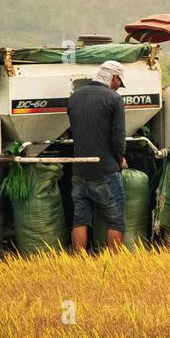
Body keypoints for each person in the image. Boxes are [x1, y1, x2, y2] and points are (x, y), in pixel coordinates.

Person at [67, 60, 128, 252]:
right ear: (114, 77)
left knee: (80, 219)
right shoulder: (113, 99)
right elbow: (118, 137)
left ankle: (80, 262)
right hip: (105, 170)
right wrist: (120, 159)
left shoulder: (74, 97)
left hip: (80, 168)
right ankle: (115, 263)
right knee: (116, 219)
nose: (118, 87)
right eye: (119, 82)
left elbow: (75, 132)